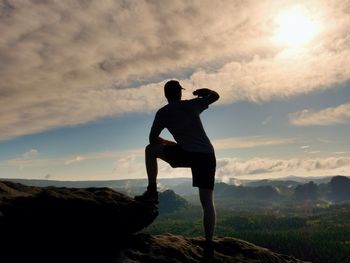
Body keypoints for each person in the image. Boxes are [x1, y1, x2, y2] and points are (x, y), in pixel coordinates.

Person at [134, 80, 219, 243]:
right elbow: (215, 96)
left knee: (149, 150)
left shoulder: (163, 112)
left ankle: (152, 191)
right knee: (207, 202)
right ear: (180, 92)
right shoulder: (193, 104)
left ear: (166, 95)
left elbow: (152, 140)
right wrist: (205, 90)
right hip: (207, 155)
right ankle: (209, 243)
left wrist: (170, 143)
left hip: (186, 153)